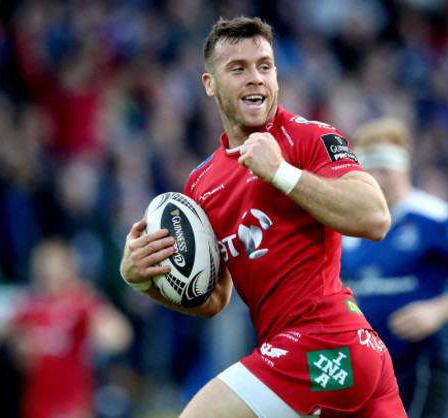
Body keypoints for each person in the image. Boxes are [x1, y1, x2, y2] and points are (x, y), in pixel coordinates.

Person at [120, 16, 407, 417]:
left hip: (324, 341)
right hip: (336, 356)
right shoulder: (201, 184)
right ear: (210, 85)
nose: (255, 78)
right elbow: (213, 297)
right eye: (238, 68)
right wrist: (145, 280)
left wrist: (281, 173)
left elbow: (375, 218)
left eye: (265, 66)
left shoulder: (308, 137)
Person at [339, 117, 448, 418]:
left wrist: (437, 311)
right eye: (369, 170)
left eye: (384, 170)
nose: (376, 178)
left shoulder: (437, 218)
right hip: (362, 368)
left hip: (419, 365)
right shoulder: (348, 226)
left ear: (404, 168)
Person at [9, 237, 133, 418]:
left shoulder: (81, 301)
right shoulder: (28, 306)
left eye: (53, 262)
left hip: (74, 408)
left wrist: (99, 318)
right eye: (42, 262)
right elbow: (20, 360)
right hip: (36, 407)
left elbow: (120, 337)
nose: (47, 269)